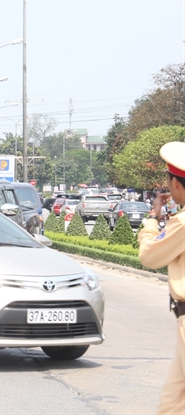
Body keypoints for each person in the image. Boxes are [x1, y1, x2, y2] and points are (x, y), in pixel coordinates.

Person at [137, 141, 185, 415]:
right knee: (172, 404)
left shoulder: (182, 223)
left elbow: (150, 256)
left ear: (176, 184)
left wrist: (153, 220)